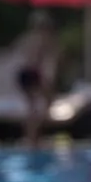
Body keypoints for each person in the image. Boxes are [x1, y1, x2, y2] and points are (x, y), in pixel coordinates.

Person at [14, 10, 59, 147]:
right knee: (46, 102)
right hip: (32, 73)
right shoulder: (44, 39)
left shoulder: (26, 37)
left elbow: (19, 54)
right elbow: (40, 61)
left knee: (32, 107)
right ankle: (34, 136)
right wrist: (45, 80)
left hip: (22, 73)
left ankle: (31, 137)